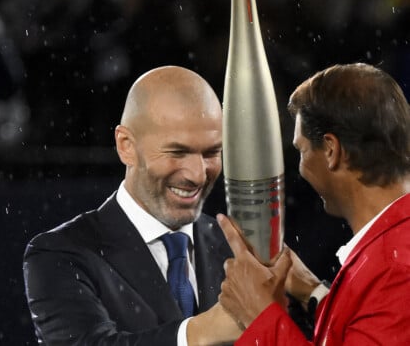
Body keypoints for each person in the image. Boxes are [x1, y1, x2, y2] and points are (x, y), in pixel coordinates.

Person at [24, 65, 242, 344]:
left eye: (212, 152)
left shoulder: (236, 247)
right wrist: (203, 330)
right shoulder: (60, 255)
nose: (198, 174)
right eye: (177, 152)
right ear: (126, 145)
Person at [217, 62, 410, 345]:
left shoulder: (396, 270)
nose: (301, 167)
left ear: (331, 151)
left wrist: (258, 314)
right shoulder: (393, 251)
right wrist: (314, 294)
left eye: (302, 150)